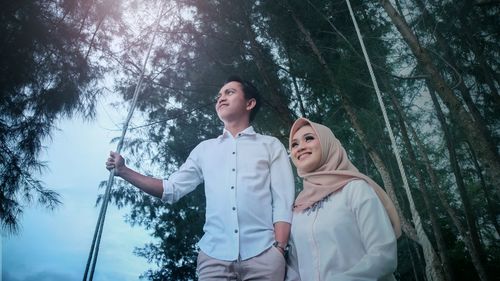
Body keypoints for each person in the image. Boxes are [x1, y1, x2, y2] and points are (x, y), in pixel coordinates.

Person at [106, 76, 295, 280]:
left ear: (250, 103)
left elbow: (283, 200)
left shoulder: (271, 145)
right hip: (214, 259)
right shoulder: (204, 150)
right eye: (219, 95)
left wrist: (279, 248)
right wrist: (124, 171)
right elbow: (171, 190)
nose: (221, 98)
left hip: (265, 254)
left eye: (229, 92)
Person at [285, 117, 401, 281]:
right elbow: (295, 267)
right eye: (294, 144)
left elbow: (383, 256)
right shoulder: (298, 207)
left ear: (328, 144)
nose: (300, 147)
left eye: (309, 138)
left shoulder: (355, 189)